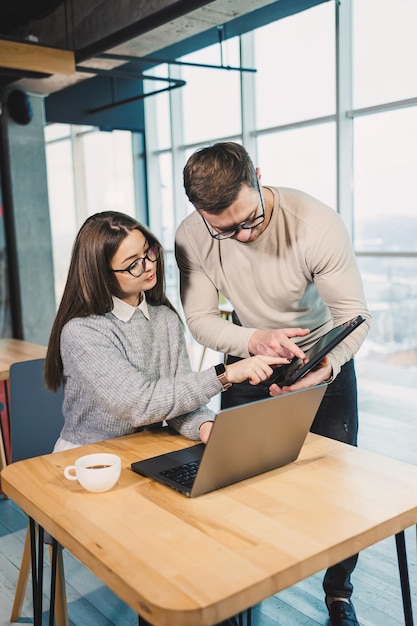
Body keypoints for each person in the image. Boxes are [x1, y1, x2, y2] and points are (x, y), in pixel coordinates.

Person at [175, 142, 371, 626]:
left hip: (322, 352)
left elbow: (355, 317)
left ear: (258, 176)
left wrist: (326, 365)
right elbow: (199, 318)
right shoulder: (191, 236)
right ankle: (245, 582)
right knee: (236, 475)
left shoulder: (315, 224)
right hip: (249, 351)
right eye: (225, 229)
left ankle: (339, 596)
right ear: (200, 213)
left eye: (250, 220)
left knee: (334, 484)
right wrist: (256, 339)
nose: (243, 235)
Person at [44, 210, 286, 453]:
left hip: (143, 452)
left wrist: (206, 426)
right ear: (103, 277)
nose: (149, 266)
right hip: (85, 458)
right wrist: (225, 374)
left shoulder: (165, 319)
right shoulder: (83, 332)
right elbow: (141, 404)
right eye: (133, 265)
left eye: (148, 252)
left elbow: (176, 401)